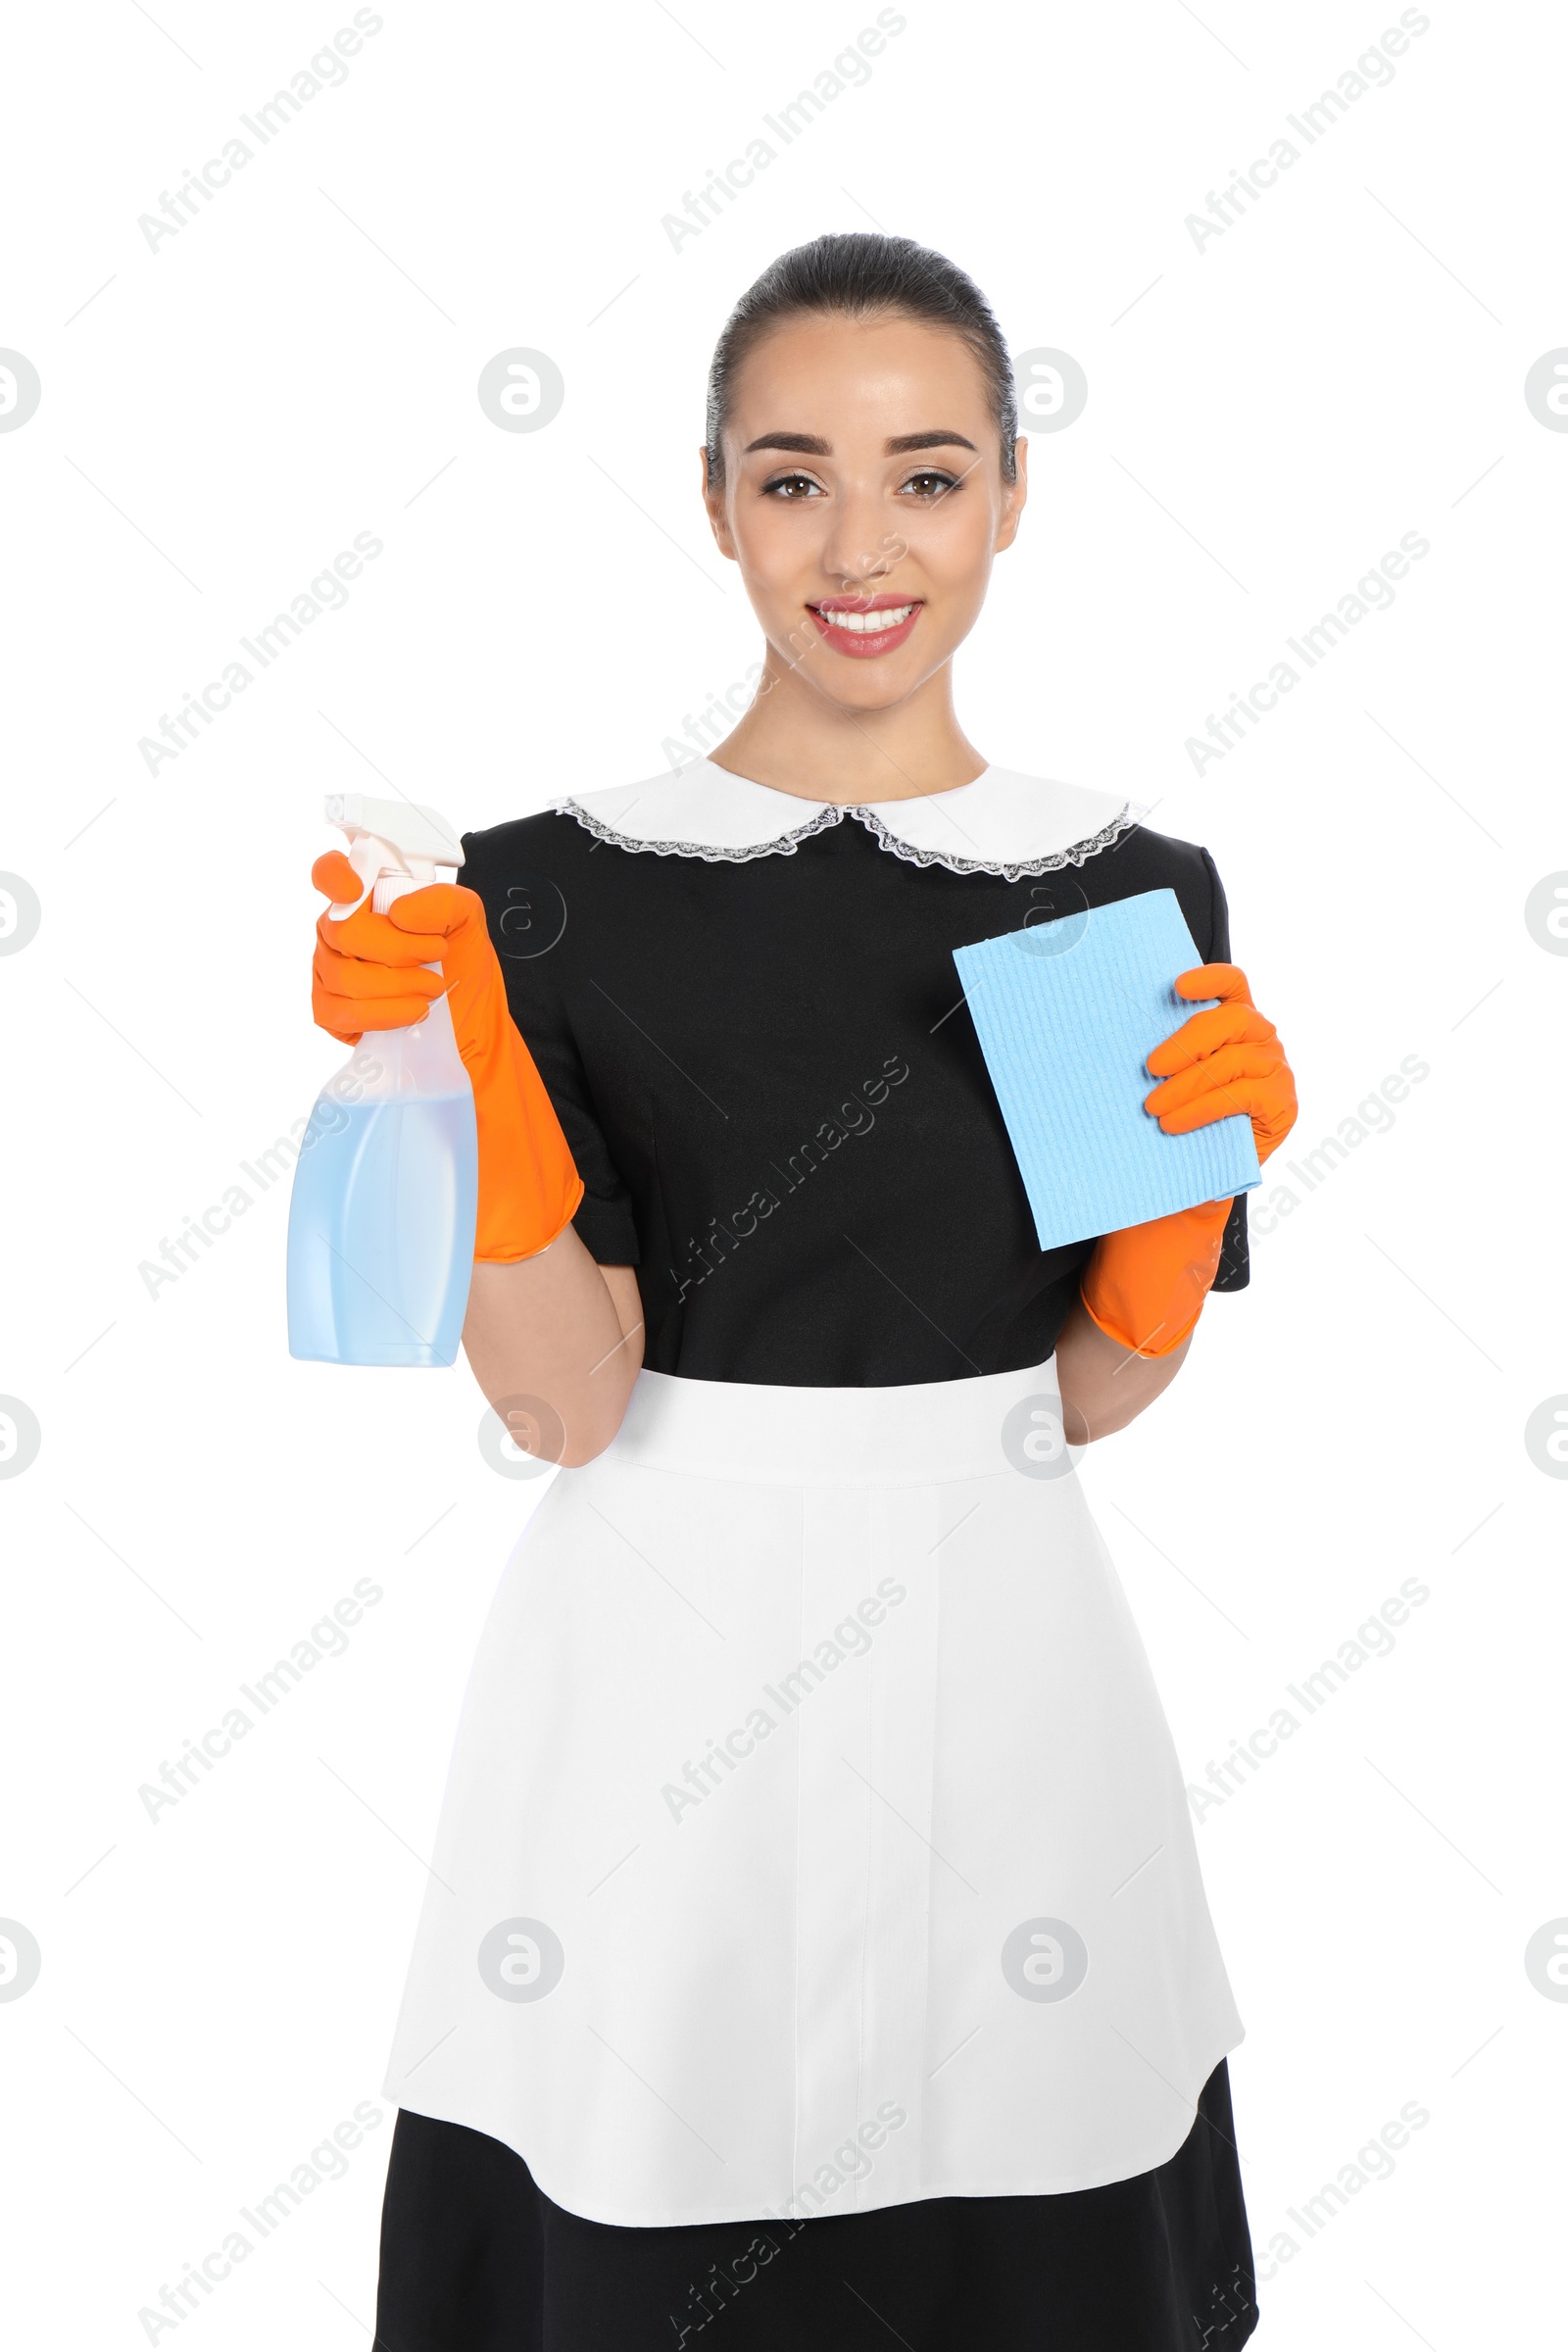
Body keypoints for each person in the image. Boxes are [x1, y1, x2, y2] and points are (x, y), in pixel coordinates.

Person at [311, 232, 1297, 2351]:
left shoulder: (1114, 880)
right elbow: (566, 1406)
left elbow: (1097, 1391)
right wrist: (458, 1061)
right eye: (792, 478)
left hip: (1010, 1647)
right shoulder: (541, 890)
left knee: (1029, 2175)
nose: (862, 546)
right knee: (645, 2186)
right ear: (713, 502)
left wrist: (1172, 1192)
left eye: (927, 477)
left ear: (1011, 499)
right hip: (652, 1676)